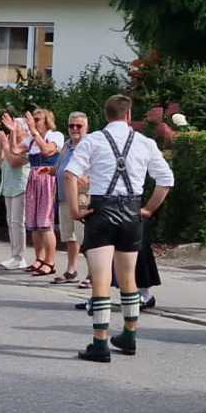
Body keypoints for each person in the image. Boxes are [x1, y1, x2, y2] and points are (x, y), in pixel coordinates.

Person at [65, 95, 174, 362]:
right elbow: (166, 179)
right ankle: (129, 336)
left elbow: (69, 175)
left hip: (101, 211)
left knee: (101, 279)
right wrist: (148, 209)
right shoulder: (144, 142)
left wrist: (75, 210)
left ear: (106, 115)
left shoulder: (93, 140)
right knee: (128, 278)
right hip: (131, 211)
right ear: (128, 115)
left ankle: (100, 343)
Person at [24, 108, 64, 278]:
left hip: (48, 180)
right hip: (33, 180)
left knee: (45, 222)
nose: (34, 122)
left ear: (47, 121)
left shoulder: (55, 136)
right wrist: (13, 132)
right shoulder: (31, 140)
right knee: (34, 223)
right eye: (33, 119)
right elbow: (15, 151)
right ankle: (39, 258)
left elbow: (47, 150)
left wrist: (34, 132)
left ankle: (50, 261)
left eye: (37, 119)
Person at [54, 112, 90, 284]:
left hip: (82, 196)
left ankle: (93, 273)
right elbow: (59, 167)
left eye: (79, 126)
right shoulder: (66, 146)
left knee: (85, 236)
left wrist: (87, 178)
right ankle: (71, 270)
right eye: (71, 125)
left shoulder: (90, 145)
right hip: (64, 196)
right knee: (69, 236)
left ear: (86, 127)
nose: (75, 129)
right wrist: (51, 171)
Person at [0, 112, 31, 270]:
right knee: (11, 222)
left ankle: (20, 257)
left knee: (17, 222)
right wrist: (1, 147)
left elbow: (14, 162)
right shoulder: (10, 144)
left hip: (20, 186)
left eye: (16, 128)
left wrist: (5, 145)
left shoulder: (27, 146)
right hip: (8, 186)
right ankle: (14, 255)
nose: (13, 131)